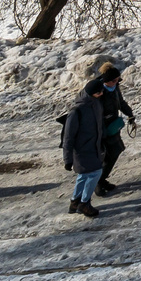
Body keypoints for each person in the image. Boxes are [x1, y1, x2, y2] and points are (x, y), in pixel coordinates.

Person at [59, 73, 107, 218]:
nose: (102, 94)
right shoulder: (76, 111)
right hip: (82, 150)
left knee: (84, 175)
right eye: (99, 92)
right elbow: (68, 137)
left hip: (94, 146)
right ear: (93, 93)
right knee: (95, 173)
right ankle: (84, 203)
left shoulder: (95, 103)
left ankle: (75, 202)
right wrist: (67, 159)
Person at [93, 61, 137, 197]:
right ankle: (98, 182)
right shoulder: (98, 91)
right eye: (114, 80)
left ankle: (101, 179)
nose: (117, 82)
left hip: (112, 126)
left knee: (115, 151)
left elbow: (120, 103)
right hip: (101, 128)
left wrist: (130, 114)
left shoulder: (114, 87)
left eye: (118, 80)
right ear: (106, 80)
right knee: (106, 155)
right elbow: (93, 111)